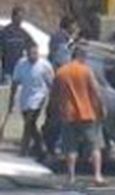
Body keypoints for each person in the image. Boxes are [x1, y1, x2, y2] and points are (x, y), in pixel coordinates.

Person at [54, 47, 107, 186]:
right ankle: (97, 176)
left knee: (71, 148)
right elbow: (96, 91)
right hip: (88, 113)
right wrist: (102, 108)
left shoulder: (61, 72)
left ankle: (71, 177)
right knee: (95, 146)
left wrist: (59, 108)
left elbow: (54, 94)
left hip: (68, 114)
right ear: (82, 57)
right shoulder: (86, 70)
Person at [8, 44, 54, 158]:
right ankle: (41, 147)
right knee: (30, 125)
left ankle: (24, 149)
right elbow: (15, 82)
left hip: (39, 97)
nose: (33, 56)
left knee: (29, 122)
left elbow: (51, 83)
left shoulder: (45, 65)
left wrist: (53, 100)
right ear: (27, 53)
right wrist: (11, 100)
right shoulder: (21, 64)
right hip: (25, 98)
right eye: (30, 54)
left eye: (35, 53)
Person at [42, 16, 77, 157]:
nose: (74, 28)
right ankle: (53, 143)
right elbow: (61, 60)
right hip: (60, 81)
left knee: (54, 112)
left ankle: (49, 140)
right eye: (73, 25)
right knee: (58, 113)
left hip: (57, 79)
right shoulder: (61, 39)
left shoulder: (60, 37)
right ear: (68, 25)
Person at [0, 6, 34, 83]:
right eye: (19, 17)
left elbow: (33, 46)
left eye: (22, 17)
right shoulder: (4, 32)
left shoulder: (23, 33)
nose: (21, 19)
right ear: (13, 17)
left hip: (20, 71)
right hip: (7, 72)